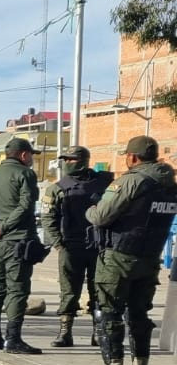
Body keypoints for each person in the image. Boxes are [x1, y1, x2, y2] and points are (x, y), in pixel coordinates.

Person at [80, 136, 177, 365]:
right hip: (150, 258)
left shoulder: (131, 181)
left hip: (119, 257)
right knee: (139, 315)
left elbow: (101, 216)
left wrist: (90, 208)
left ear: (132, 157)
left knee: (109, 313)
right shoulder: (169, 186)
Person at [0, 137, 44, 354]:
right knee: (17, 289)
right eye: (31, 155)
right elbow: (25, 206)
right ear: (23, 155)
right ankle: (13, 339)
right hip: (17, 240)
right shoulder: (25, 174)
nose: (32, 159)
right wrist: (3, 227)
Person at [42, 146, 114, 348]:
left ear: (82, 161)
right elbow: (48, 218)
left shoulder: (105, 184)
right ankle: (65, 332)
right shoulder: (57, 188)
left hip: (99, 246)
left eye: (70, 159)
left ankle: (98, 331)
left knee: (99, 290)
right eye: (64, 159)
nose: (66, 163)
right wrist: (58, 244)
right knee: (69, 291)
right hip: (70, 246)